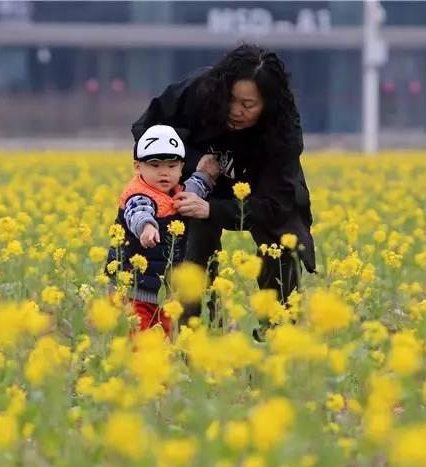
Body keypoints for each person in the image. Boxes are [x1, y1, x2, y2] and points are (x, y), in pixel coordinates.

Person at [131, 44, 316, 320]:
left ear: (268, 104)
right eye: (231, 99)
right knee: (187, 249)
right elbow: (146, 131)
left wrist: (213, 210)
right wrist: (195, 172)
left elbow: (276, 204)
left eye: (248, 105)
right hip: (196, 180)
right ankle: (185, 334)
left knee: (282, 245)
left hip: (260, 191)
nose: (235, 110)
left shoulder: (283, 130)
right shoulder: (200, 90)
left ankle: (279, 329)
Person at [107, 124, 219, 334]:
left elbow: (193, 189)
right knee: (138, 342)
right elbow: (138, 212)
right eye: (155, 165)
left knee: (164, 340)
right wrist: (147, 228)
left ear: (181, 168)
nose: (164, 172)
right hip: (133, 291)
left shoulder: (176, 191)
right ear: (138, 167)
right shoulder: (138, 194)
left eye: (171, 166)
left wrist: (206, 175)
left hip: (163, 291)